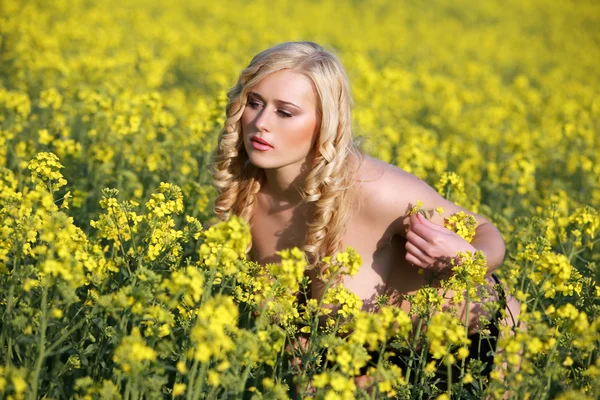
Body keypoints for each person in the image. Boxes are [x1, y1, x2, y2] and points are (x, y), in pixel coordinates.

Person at [209, 41, 521, 392]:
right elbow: (294, 333)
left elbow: (484, 230)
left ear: (324, 123)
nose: (261, 123)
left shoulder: (373, 189)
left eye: (285, 112)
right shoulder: (244, 196)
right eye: (254, 103)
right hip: (364, 367)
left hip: (474, 348)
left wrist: (468, 259)